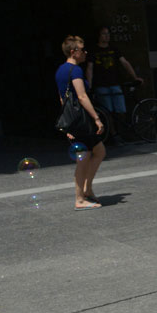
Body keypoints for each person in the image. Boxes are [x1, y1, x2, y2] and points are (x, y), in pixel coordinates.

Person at [56, 36, 106, 210]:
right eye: (82, 49)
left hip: (75, 121)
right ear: (73, 52)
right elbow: (82, 96)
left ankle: (87, 189)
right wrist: (97, 118)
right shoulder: (75, 71)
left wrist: (68, 124)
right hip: (83, 121)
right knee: (83, 158)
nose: (85, 52)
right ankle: (80, 198)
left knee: (98, 151)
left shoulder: (61, 70)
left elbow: (63, 99)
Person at [87, 26, 143, 142]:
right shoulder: (94, 51)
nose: (106, 36)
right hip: (101, 84)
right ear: (99, 36)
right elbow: (90, 69)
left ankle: (122, 132)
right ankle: (114, 134)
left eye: (108, 34)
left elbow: (125, 63)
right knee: (108, 112)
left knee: (120, 110)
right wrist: (90, 85)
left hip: (115, 83)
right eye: (104, 34)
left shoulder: (114, 49)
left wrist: (134, 77)